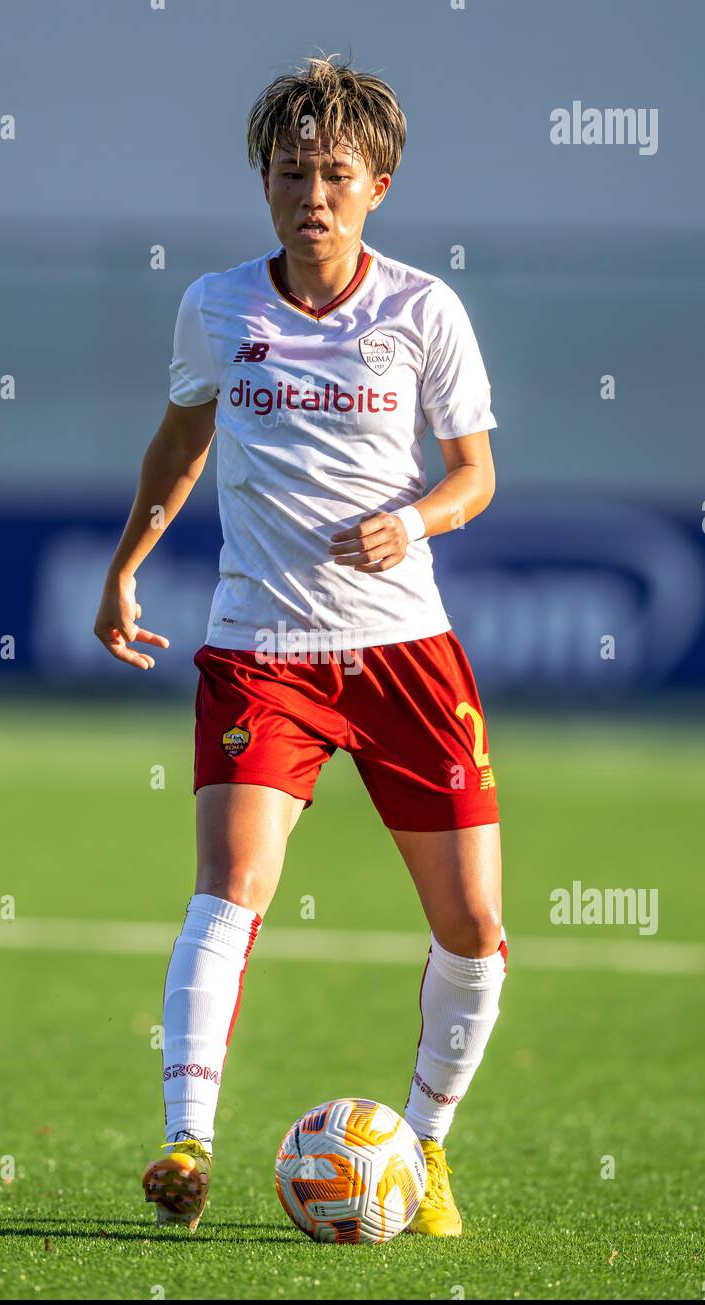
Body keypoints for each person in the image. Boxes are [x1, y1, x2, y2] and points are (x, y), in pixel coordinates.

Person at [94, 54, 507, 1238]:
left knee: (472, 926)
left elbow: (474, 476)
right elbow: (178, 446)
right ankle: (187, 1139)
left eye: (334, 173)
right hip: (258, 651)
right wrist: (125, 565)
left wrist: (412, 518)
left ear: (377, 183)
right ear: (262, 182)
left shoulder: (424, 309)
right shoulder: (219, 307)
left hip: (402, 654)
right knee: (232, 886)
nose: (310, 195)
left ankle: (422, 1147)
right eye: (289, 172)